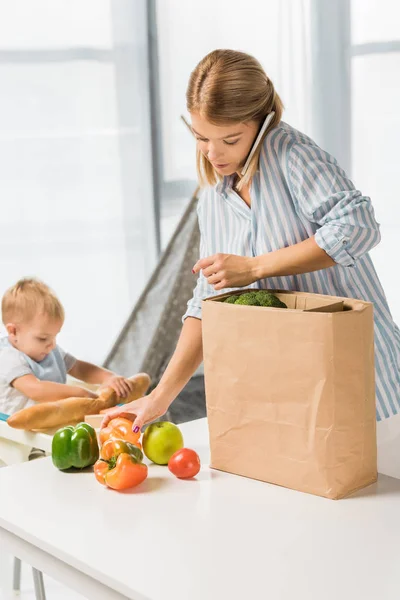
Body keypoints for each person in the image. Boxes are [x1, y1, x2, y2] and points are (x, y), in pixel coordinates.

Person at [102, 49, 400, 478]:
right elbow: (208, 300)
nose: (212, 153)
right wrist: (161, 398)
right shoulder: (214, 198)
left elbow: (358, 225)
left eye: (229, 140)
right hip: (293, 395)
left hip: (367, 389)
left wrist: (256, 267)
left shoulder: (292, 155)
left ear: (260, 123)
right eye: (201, 137)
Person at [0, 277, 135, 416]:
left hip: (50, 422)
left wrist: (108, 377)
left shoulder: (48, 350)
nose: (52, 345)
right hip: (14, 433)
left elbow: (79, 368)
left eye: (55, 336)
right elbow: (35, 389)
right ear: (13, 331)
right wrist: (79, 393)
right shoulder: (8, 357)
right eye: (43, 338)